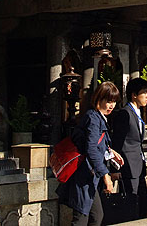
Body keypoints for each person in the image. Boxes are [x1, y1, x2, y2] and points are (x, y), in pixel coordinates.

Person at [57, 81, 124, 226]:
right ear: (99, 99)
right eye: (108, 101)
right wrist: (106, 176)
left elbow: (93, 144)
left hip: (89, 177)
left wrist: (109, 151)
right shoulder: (94, 119)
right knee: (81, 218)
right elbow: (91, 149)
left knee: (96, 216)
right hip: (84, 176)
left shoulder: (96, 118)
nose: (111, 106)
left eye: (113, 102)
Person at [110, 77, 147, 221]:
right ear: (134, 95)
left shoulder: (138, 113)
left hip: (139, 166)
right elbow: (117, 142)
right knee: (131, 203)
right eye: (144, 93)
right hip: (127, 165)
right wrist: (115, 169)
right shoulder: (125, 113)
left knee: (143, 200)